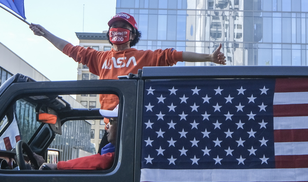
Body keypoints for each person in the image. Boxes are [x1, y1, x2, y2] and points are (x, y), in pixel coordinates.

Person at [29, 12, 226, 113]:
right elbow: (69, 49)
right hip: (109, 123)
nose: (117, 29)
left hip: (133, 120)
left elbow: (174, 55)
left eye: (123, 27)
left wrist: (208, 58)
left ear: (132, 34)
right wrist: (45, 34)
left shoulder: (144, 57)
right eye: (114, 26)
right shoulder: (99, 58)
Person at [40, 116, 118, 170]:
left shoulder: (115, 157)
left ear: (122, 125)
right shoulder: (115, 151)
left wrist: (57, 166)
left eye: (111, 121)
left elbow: (102, 161)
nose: (106, 126)